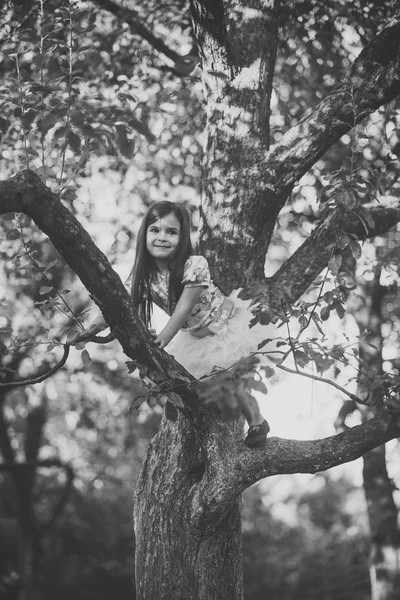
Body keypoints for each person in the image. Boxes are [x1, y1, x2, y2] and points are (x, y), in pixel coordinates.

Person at [73, 201, 271, 447]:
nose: (162, 237)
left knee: (234, 380)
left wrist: (162, 339)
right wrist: (91, 330)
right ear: (145, 234)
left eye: (171, 232)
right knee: (197, 391)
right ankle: (209, 443)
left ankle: (258, 422)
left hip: (225, 325)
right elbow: (116, 305)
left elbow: (184, 308)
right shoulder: (141, 278)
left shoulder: (195, 264)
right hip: (196, 335)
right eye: (155, 230)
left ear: (182, 237)